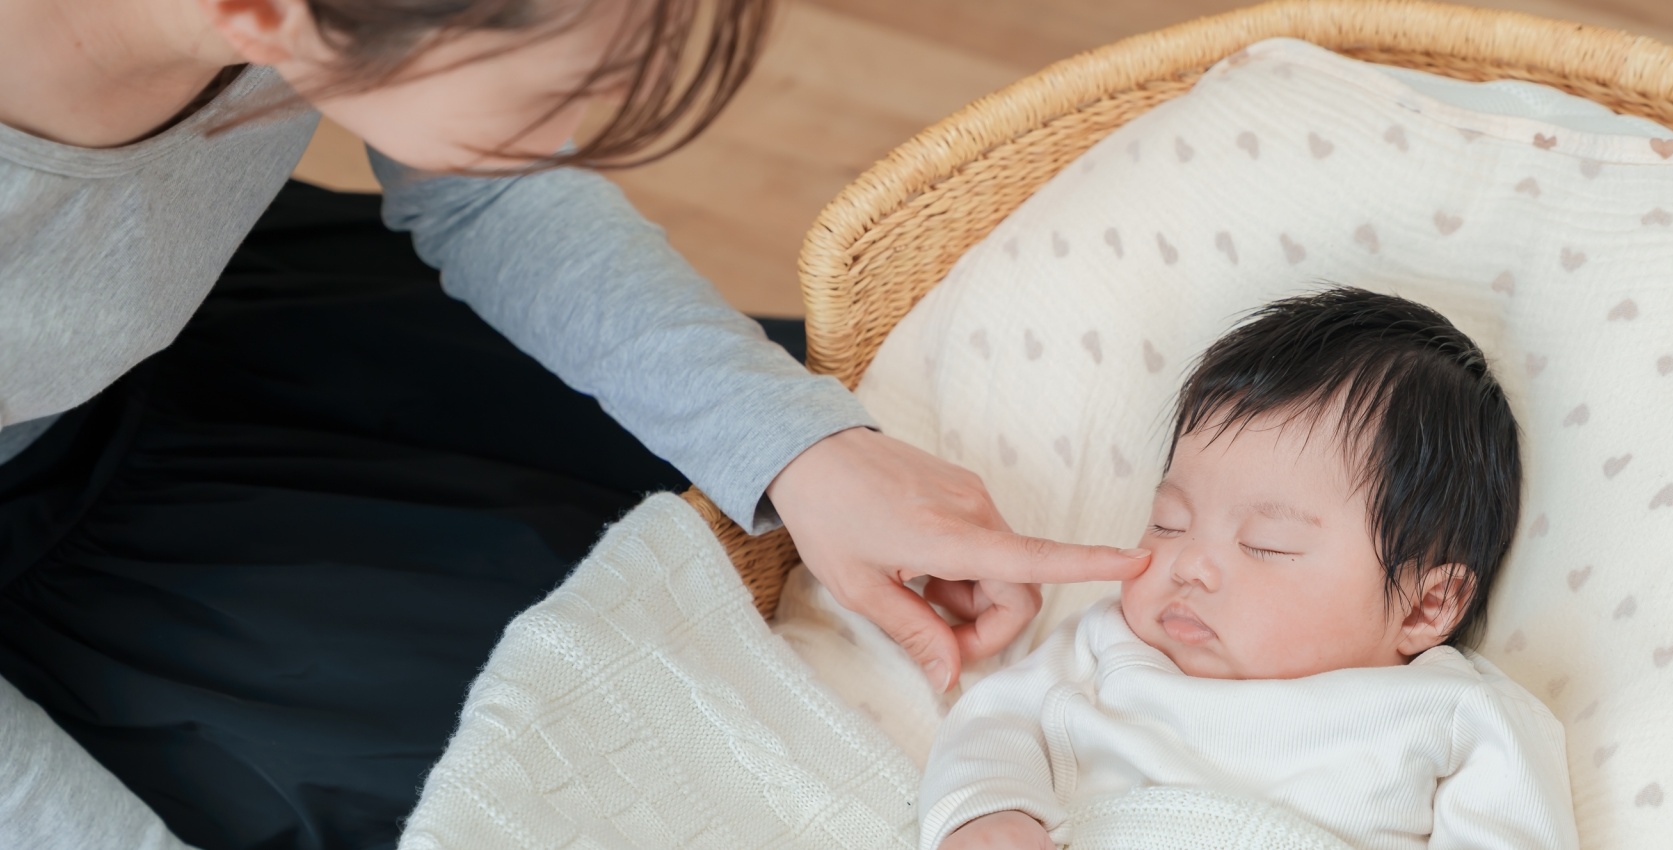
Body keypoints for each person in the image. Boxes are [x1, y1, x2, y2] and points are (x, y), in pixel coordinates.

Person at [0, 0, 1151, 847]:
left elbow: (486, 184)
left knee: (771, 509)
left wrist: (800, 444)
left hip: (198, 327)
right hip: (52, 571)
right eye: (566, 93)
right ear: (259, 19)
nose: (595, 121)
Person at [921, 288, 1578, 850]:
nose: (1189, 564)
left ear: (1424, 606)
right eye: (1169, 522)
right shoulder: (1108, 646)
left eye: (1267, 544)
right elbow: (991, 722)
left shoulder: (1457, 713)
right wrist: (988, 812)